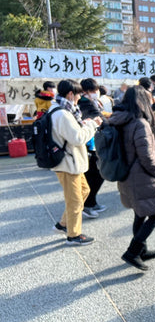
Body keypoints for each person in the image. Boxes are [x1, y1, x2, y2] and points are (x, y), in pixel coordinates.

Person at [108, 86, 155, 270]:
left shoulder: (120, 119)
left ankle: (141, 250)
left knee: (140, 213)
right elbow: (146, 155)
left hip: (126, 174)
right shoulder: (140, 123)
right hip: (141, 176)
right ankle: (132, 251)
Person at [50, 79, 102, 246]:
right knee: (75, 200)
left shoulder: (63, 109)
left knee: (84, 191)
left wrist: (84, 124)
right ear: (71, 94)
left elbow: (74, 132)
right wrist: (92, 125)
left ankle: (63, 224)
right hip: (67, 163)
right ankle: (74, 235)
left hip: (71, 162)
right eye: (79, 94)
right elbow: (78, 138)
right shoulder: (63, 114)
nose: (80, 97)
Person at [78, 78, 107, 219]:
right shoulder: (85, 102)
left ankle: (92, 201)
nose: (96, 93)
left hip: (93, 141)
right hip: (89, 144)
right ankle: (87, 204)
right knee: (95, 174)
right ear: (85, 92)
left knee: (97, 174)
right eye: (93, 91)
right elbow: (100, 118)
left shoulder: (92, 101)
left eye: (96, 90)